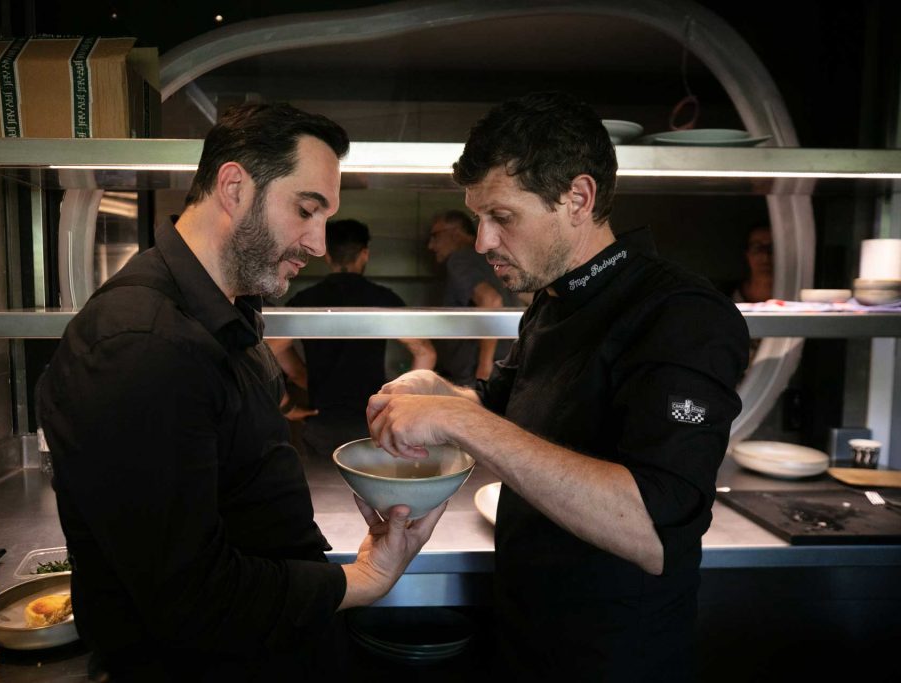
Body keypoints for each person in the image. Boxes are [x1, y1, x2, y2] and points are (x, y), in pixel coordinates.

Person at [35, 102, 446, 682]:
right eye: (307, 210)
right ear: (233, 188)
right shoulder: (142, 344)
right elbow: (191, 598)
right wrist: (364, 578)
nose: (319, 242)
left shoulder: (229, 311)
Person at [366, 92, 749, 680]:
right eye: (478, 218)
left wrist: (458, 420)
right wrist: (435, 391)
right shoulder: (551, 301)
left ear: (578, 198)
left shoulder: (681, 314)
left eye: (502, 217)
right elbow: (500, 411)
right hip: (528, 634)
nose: (482, 242)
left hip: (615, 658)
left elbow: (653, 530)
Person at [268, 219, 436, 460]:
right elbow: (425, 352)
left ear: (327, 256)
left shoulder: (305, 301)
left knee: (323, 493)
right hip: (373, 423)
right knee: (372, 494)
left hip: (321, 423)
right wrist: (398, 402)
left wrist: (286, 403)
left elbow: (269, 351)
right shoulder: (383, 299)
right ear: (364, 254)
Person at [427, 209, 521, 386]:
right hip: (503, 366)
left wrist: (485, 365)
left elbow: (491, 300)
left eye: (435, 236)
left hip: (476, 375)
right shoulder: (492, 259)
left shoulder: (459, 259)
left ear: (455, 232)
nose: (431, 245)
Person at [732, 224, 773, 303]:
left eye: (772, 248)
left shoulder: (794, 295)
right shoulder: (726, 295)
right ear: (747, 254)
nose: (765, 257)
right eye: (757, 248)